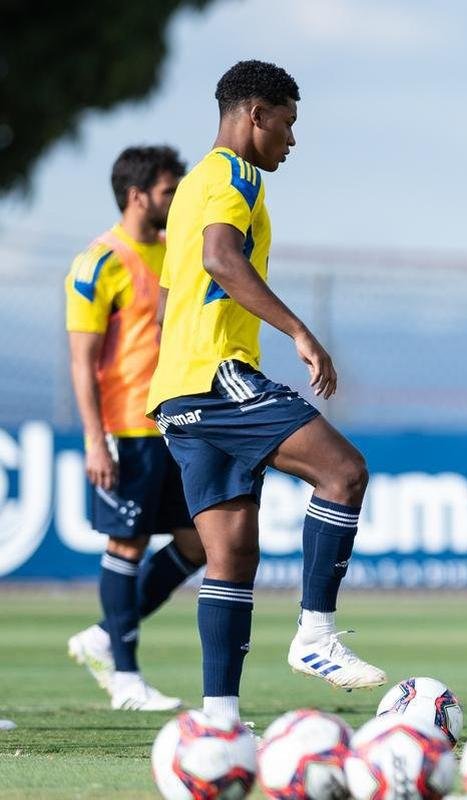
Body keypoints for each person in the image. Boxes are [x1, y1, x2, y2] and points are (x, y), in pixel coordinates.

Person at [147, 60, 385, 722]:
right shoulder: (231, 176)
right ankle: (316, 636)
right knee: (343, 472)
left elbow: (171, 298)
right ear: (256, 115)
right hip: (215, 375)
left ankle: (220, 720)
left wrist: (172, 389)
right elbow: (222, 258)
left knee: (231, 553)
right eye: (287, 123)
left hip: (179, 389)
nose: (292, 139)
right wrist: (300, 332)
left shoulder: (194, 183)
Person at [64, 146, 202, 712]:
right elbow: (82, 361)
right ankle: (124, 676)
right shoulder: (100, 263)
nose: (175, 201)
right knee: (127, 542)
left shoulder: (172, 250)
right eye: (169, 192)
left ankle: (102, 635)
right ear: (137, 194)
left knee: (198, 542)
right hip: (127, 428)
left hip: (176, 419)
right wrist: (95, 438)